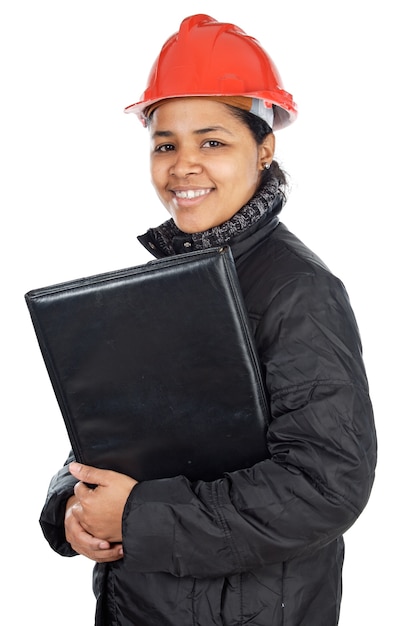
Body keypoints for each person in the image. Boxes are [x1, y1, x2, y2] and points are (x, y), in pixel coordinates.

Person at [39, 14, 377, 626]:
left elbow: (325, 487)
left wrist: (138, 516)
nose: (183, 166)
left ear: (265, 147)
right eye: (165, 144)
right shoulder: (171, 280)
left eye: (213, 142)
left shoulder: (300, 292)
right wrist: (71, 507)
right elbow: (116, 433)